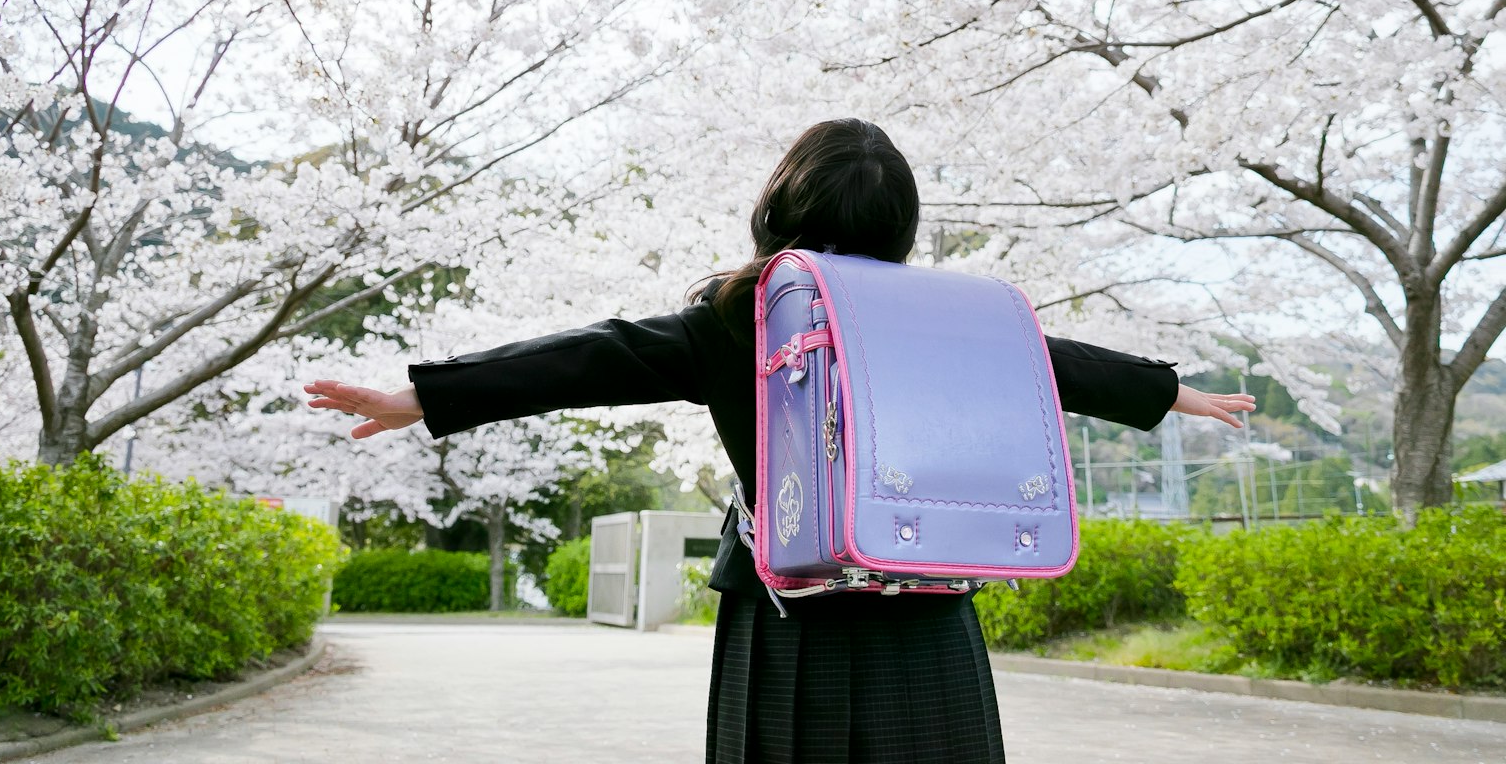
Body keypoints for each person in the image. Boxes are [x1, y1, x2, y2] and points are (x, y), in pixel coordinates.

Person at [305, 118, 1253, 764]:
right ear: (900, 224)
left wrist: (420, 397)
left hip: (785, 615)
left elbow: (586, 359)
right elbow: (1052, 361)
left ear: (779, 207)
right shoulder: (948, 318)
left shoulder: (739, 316)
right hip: (924, 608)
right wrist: (1173, 394)